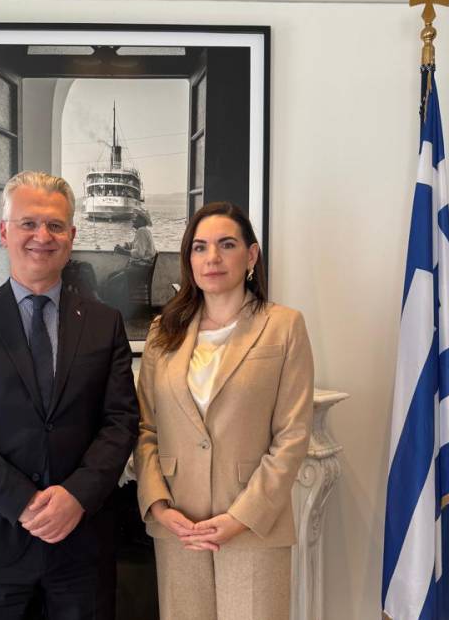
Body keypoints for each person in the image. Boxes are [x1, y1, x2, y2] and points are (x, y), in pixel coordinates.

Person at [0, 170, 139, 620]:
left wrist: (76, 496)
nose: (43, 236)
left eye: (55, 225)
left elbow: (120, 422)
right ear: (5, 232)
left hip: (82, 542)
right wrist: (21, 501)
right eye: (29, 223)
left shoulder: (105, 323)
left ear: (71, 237)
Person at [133, 201, 314, 620]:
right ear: (189, 259)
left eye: (226, 244)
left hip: (253, 523)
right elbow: (146, 428)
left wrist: (241, 517)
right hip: (178, 525)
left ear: (250, 256)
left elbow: (292, 435)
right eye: (199, 247)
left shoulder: (284, 326)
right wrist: (158, 506)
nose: (211, 257)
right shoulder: (163, 331)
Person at [101, 210, 157, 317]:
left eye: (136, 218)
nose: (133, 220)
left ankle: (119, 311)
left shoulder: (141, 231)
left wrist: (123, 251)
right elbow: (136, 245)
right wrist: (126, 245)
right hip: (140, 269)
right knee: (111, 276)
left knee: (112, 281)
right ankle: (117, 310)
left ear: (142, 220)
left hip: (139, 271)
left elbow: (139, 253)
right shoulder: (144, 231)